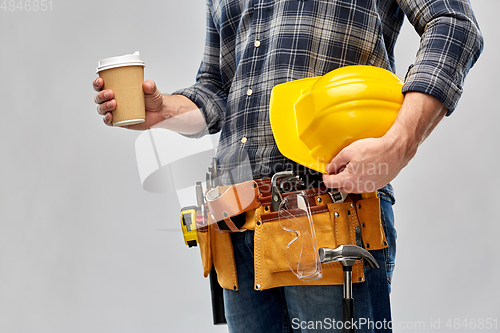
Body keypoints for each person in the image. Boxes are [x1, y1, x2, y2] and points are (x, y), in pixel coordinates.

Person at [93, 0, 483, 332]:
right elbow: (217, 88)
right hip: (235, 226)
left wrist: (399, 143)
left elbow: (454, 24)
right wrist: (164, 111)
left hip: (329, 213)